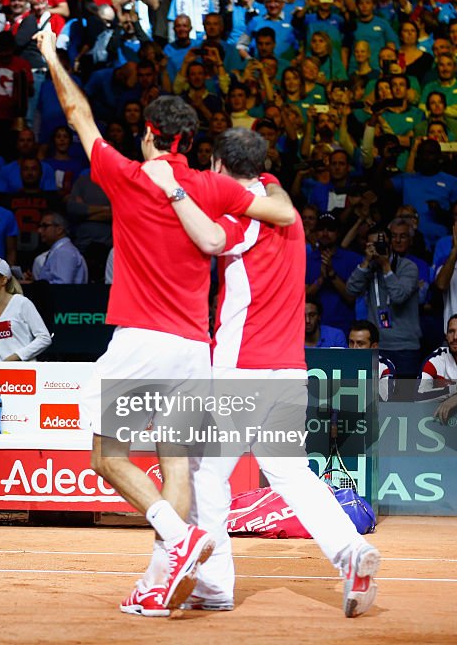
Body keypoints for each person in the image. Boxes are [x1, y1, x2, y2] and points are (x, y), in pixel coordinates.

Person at [34, 26, 297, 617]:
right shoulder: (210, 185)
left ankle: (180, 541)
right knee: (174, 461)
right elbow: (278, 209)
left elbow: (77, 112)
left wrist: (51, 53)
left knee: (107, 457)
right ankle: (160, 583)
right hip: (192, 350)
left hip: (140, 344)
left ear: (150, 133)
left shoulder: (128, 176)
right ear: (189, 139)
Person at [142, 127, 382, 617]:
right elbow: (270, 185)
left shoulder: (243, 216)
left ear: (218, 165)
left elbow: (210, 238)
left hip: (240, 369)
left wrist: (174, 187)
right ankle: (350, 551)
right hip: (290, 368)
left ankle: (214, 585)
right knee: (291, 473)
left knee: (207, 474)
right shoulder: (285, 208)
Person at [345, 228, 422, 377]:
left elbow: (399, 296)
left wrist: (386, 267)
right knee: (375, 396)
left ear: (390, 245)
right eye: (372, 244)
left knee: (403, 398)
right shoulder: (369, 267)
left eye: (381, 244)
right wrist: (366, 262)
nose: (377, 249)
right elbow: (351, 290)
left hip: (404, 347)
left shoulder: (408, 267)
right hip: (376, 345)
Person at [0, 257, 51, 362]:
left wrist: (16, 356)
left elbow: (44, 338)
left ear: (4, 279)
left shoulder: (21, 303)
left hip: (24, 372)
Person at [30, 212, 88, 284]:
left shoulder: (64, 252)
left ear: (59, 229)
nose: (39, 230)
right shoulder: (60, 250)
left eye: (45, 226)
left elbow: (61, 287)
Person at [348, 320, 396, 402]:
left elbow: (383, 402)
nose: (354, 348)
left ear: (374, 347)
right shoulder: (340, 362)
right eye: (351, 342)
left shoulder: (385, 367)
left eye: (360, 343)